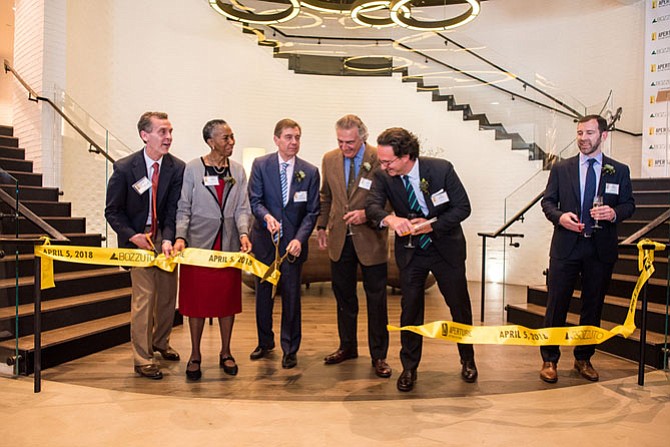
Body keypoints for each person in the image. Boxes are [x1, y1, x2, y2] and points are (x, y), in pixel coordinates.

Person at [365, 127, 477, 392]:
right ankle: (409, 368)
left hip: (445, 249)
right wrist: (390, 218)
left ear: (406, 156)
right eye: (381, 160)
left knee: (459, 307)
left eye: (388, 161)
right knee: (410, 310)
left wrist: (432, 225)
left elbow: (463, 207)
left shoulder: (441, 170)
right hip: (412, 252)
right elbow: (372, 207)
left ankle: (468, 360)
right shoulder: (384, 177)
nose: (383, 165)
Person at [539, 114, 634, 383]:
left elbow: (629, 205)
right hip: (566, 247)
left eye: (589, 133)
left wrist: (613, 213)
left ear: (603, 136)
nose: (583, 138)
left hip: (600, 250)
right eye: (580, 133)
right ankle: (549, 359)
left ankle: (583, 358)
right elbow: (548, 202)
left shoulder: (619, 170)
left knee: (593, 306)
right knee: (556, 304)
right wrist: (560, 217)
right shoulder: (561, 168)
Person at [105, 111, 185, 380]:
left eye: (170, 131)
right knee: (144, 300)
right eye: (162, 132)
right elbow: (112, 211)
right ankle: (142, 358)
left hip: (163, 240)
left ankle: (160, 342)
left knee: (166, 297)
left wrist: (167, 238)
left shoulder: (177, 168)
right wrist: (132, 236)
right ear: (144, 135)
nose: (169, 137)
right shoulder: (125, 168)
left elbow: (173, 210)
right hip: (137, 242)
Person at [173, 119, 252, 381]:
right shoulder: (193, 168)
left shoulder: (238, 171)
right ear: (210, 141)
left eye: (232, 137)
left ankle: (226, 351)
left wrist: (243, 233)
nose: (231, 142)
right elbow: (184, 206)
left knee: (226, 302)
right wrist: (181, 237)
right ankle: (195, 354)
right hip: (198, 246)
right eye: (225, 138)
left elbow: (243, 207)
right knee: (196, 303)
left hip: (227, 244)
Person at [316, 114, 391, 378]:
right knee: (344, 298)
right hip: (339, 239)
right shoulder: (329, 159)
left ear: (362, 137)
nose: (344, 147)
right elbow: (326, 196)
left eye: (349, 142)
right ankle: (347, 346)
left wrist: (368, 215)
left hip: (371, 239)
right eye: (340, 141)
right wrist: (322, 226)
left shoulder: (379, 159)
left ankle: (379, 355)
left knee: (376, 301)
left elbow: (391, 199)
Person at [248, 118, 320, 369]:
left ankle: (290, 348)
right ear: (276, 139)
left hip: (292, 246)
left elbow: (312, 212)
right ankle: (264, 342)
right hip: (264, 242)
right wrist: (266, 217)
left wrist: (300, 239)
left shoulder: (310, 172)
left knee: (291, 296)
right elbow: (255, 200)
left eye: (297, 137)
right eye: (289, 137)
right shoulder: (260, 165)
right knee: (263, 295)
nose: (294, 142)